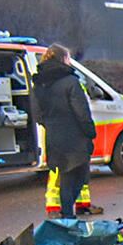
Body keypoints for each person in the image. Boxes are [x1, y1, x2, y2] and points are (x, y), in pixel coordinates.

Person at [31, 44, 95, 220]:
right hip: (75, 138)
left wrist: (52, 125)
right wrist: (90, 132)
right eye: (68, 58)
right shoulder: (71, 82)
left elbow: (37, 115)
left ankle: (67, 214)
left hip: (54, 137)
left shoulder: (39, 83)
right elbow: (82, 112)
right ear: (62, 59)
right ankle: (68, 213)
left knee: (66, 177)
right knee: (81, 176)